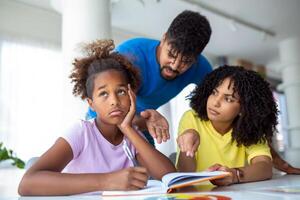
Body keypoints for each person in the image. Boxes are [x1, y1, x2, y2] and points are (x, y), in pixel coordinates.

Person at [18, 40, 176, 196]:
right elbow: (27, 184)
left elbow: (169, 176)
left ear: (131, 95)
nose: (114, 100)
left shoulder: (131, 137)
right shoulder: (82, 133)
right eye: (103, 94)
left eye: (121, 91)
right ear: (91, 104)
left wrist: (128, 129)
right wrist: (107, 181)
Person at [87, 10, 213, 146]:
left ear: (196, 59)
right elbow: (110, 110)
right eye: (171, 54)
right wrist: (144, 122)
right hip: (103, 120)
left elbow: (213, 107)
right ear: (164, 38)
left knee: (153, 166)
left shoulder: (201, 68)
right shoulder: (130, 54)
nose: (175, 66)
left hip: (144, 122)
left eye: (186, 61)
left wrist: (192, 130)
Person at [176, 65, 278, 185]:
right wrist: (187, 149)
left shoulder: (250, 129)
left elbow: (265, 168)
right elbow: (184, 173)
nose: (215, 102)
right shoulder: (192, 117)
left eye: (228, 99)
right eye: (214, 92)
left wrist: (234, 175)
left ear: (244, 109)